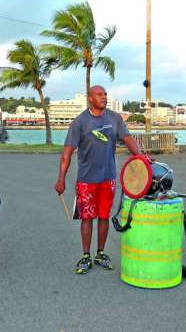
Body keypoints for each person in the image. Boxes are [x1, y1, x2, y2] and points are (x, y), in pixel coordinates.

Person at [54, 85, 142, 274]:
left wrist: (141, 157)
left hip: (108, 178)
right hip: (86, 180)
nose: (104, 97)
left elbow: (127, 139)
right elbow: (67, 154)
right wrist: (61, 179)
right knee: (87, 218)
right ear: (90, 98)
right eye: (99, 95)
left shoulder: (114, 118)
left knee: (104, 217)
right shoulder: (79, 122)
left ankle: (100, 253)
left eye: (105, 94)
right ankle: (86, 255)